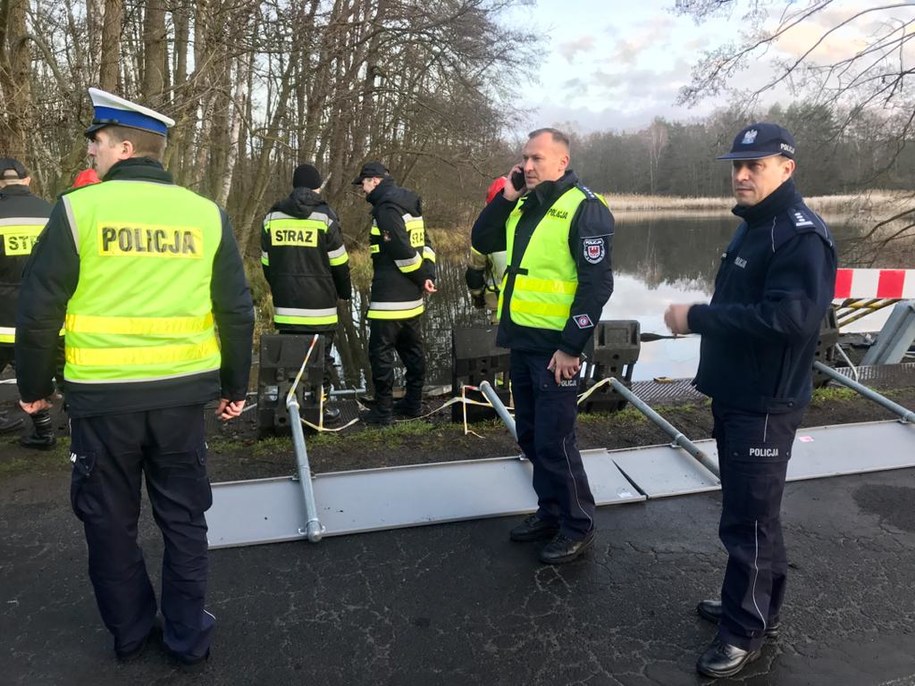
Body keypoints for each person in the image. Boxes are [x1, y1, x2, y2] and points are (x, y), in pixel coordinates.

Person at [14, 87, 255, 668]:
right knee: (184, 519)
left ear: (124, 146)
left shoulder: (77, 210)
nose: (90, 152)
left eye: (96, 142)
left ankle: (128, 635)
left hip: (102, 404)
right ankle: (186, 637)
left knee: (110, 524)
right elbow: (237, 310)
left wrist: (32, 388)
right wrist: (235, 388)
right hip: (181, 399)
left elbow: (39, 309)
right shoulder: (206, 214)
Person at [663, 122, 836, 679]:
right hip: (739, 393)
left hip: (764, 402)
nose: (741, 174)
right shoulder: (756, 226)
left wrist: (698, 318)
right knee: (753, 515)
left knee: (749, 523)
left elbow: (791, 319)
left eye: (754, 165)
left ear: (786, 168)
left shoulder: (798, 236)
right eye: (737, 164)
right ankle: (755, 606)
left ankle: (744, 629)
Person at [471, 128, 614, 565]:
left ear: (561, 162)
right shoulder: (526, 204)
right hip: (524, 342)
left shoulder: (584, 209)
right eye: (524, 159)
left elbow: (597, 285)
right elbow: (482, 239)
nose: (528, 166)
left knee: (556, 440)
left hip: (558, 350)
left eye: (536, 159)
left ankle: (578, 524)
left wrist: (572, 347)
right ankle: (550, 512)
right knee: (532, 436)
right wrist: (507, 195)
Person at [262, 163, 352, 423]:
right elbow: (339, 263)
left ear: (293, 185)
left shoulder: (272, 217)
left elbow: (267, 263)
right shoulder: (325, 217)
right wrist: (343, 293)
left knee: (290, 359)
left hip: (286, 304)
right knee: (321, 359)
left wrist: (279, 286)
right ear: (317, 186)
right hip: (320, 305)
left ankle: (291, 406)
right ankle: (321, 407)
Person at [352, 161, 436, 426]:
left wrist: (421, 276)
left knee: (381, 353)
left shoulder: (386, 208)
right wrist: (427, 275)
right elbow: (426, 244)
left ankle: (384, 410)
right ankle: (412, 403)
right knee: (413, 351)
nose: (362, 190)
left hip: (389, 298)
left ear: (375, 181)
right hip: (412, 299)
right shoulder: (408, 202)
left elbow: (401, 250)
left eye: (363, 184)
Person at [0, 157, 55, 442]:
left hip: (1, 316)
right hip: (41, 313)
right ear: (29, 180)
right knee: (37, 370)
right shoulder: (52, 213)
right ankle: (44, 430)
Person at [466, 177, 508, 323]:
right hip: (532, 306)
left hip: (499, 305)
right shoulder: (530, 226)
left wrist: (477, 297)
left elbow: (474, 273)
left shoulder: (484, 234)